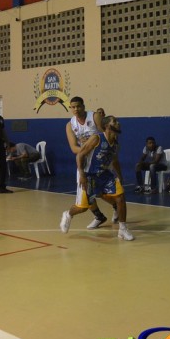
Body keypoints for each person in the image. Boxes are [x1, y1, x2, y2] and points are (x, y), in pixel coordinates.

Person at [60, 115, 134, 241]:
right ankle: (68, 214)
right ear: (107, 126)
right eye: (115, 121)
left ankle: (122, 229)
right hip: (89, 175)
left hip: (105, 175)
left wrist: (120, 176)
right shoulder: (97, 138)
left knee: (120, 197)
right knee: (82, 208)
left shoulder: (116, 144)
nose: (118, 123)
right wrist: (82, 174)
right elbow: (79, 155)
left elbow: (115, 161)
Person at [65, 96, 116, 227]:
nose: (76, 109)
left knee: (103, 192)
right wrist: (87, 150)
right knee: (87, 192)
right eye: (73, 107)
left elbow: (107, 136)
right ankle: (99, 216)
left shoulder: (94, 117)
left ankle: (116, 206)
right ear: (70, 108)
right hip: (85, 161)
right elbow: (74, 148)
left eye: (78, 106)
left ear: (83, 106)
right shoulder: (70, 125)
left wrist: (97, 149)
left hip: (101, 158)